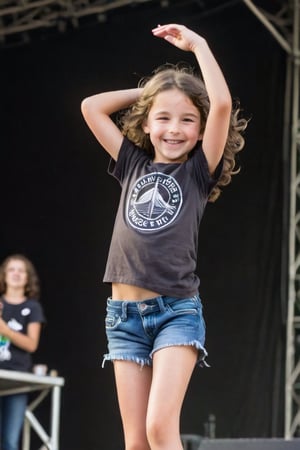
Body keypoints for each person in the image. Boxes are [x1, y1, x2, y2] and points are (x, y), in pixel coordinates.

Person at [81, 23, 247, 450]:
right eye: (164, 117)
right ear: (148, 123)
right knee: (136, 442)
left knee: (159, 429)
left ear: (200, 130)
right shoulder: (131, 164)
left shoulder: (196, 173)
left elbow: (223, 103)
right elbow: (91, 107)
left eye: (188, 120)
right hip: (123, 318)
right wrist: (152, 91)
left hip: (176, 311)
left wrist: (199, 46)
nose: (175, 129)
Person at [0, 254, 45, 450]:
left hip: (17, 379)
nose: (16, 274)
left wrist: (5, 330)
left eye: (21, 270)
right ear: (4, 275)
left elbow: (32, 344)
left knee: (10, 441)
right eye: (12, 269)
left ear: (28, 278)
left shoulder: (32, 307)